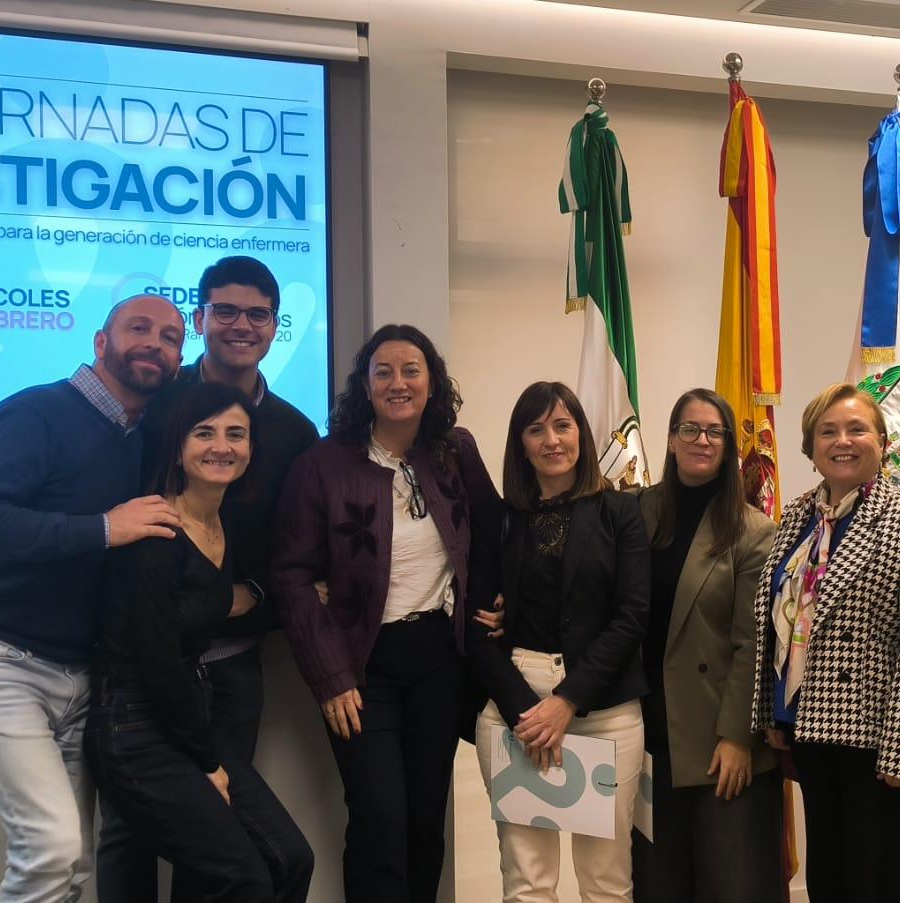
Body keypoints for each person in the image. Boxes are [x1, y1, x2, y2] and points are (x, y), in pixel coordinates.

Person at [0, 294, 185, 903]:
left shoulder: (141, 440)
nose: (154, 343)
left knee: (71, 865)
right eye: (138, 328)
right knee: (50, 848)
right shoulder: (35, 412)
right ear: (99, 342)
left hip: (77, 674)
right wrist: (103, 528)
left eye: (170, 337)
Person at [92, 258, 321, 902]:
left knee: (220, 846)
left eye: (257, 314)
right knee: (130, 834)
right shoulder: (156, 400)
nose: (240, 326)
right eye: (224, 310)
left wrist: (251, 599)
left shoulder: (295, 432)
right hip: (143, 659)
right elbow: (86, 468)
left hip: (233, 668)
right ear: (200, 319)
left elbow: (298, 548)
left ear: (276, 326)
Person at [270, 324, 499, 903]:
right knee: (379, 819)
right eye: (384, 371)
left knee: (425, 817)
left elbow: (495, 532)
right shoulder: (322, 465)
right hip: (360, 668)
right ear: (364, 385)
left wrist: (498, 603)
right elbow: (291, 575)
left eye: (411, 370)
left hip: (440, 661)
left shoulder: (456, 450)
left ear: (432, 382)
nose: (398, 382)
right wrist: (329, 676)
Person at [750, 383, 900, 903]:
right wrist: (775, 713)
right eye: (827, 431)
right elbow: (782, 621)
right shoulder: (797, 515)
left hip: (878, 739)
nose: (843, 441)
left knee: (880, 882)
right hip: (810, 730)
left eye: (857, 428)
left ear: (882, 440)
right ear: (810, 449)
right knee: (829, 880)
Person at [465, 381, 651, 903]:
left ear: (581, 435)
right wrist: (530, 713)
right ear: (520, 443)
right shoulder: (499, 520)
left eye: (562, 425)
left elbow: (632, 615)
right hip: (513, 710)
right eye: (536, 428)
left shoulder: (621, 512)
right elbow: (476, 627)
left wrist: (566, 702)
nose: (551, 439)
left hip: (605, 708)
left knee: (606, 881)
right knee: (526, 882)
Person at [630, 388, 784, 903]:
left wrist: (737, 736)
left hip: (719, 741)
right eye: (689, 429)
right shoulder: (633, 514)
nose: (702, 439)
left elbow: (750, 644)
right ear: (671, 440)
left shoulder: (753, 531)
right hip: (645, 735)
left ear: (728, 447)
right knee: (658, 886)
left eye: (715, 431)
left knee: (732, 886)